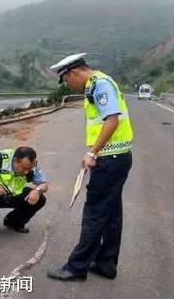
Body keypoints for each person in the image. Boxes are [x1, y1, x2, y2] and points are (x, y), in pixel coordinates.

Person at [46, 53, 134, 281]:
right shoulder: (99, 83)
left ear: (74, 72)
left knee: (94, 214)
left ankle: (76, 267)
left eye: (66, 80)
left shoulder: (99, 85)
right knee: (112, 214)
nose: (68, 85)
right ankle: (106, 263)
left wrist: (92, 152)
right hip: (117, 158)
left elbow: (111, 120)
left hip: (109, 159)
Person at [0, 147, 49, 238]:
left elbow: (44, 184)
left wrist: (37, 190)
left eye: (29, 169)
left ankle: (12, 222)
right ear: (15, 161)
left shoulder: (31, 166)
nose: (27, 172)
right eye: (24, 168)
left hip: (15, 194)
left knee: (40, 199)